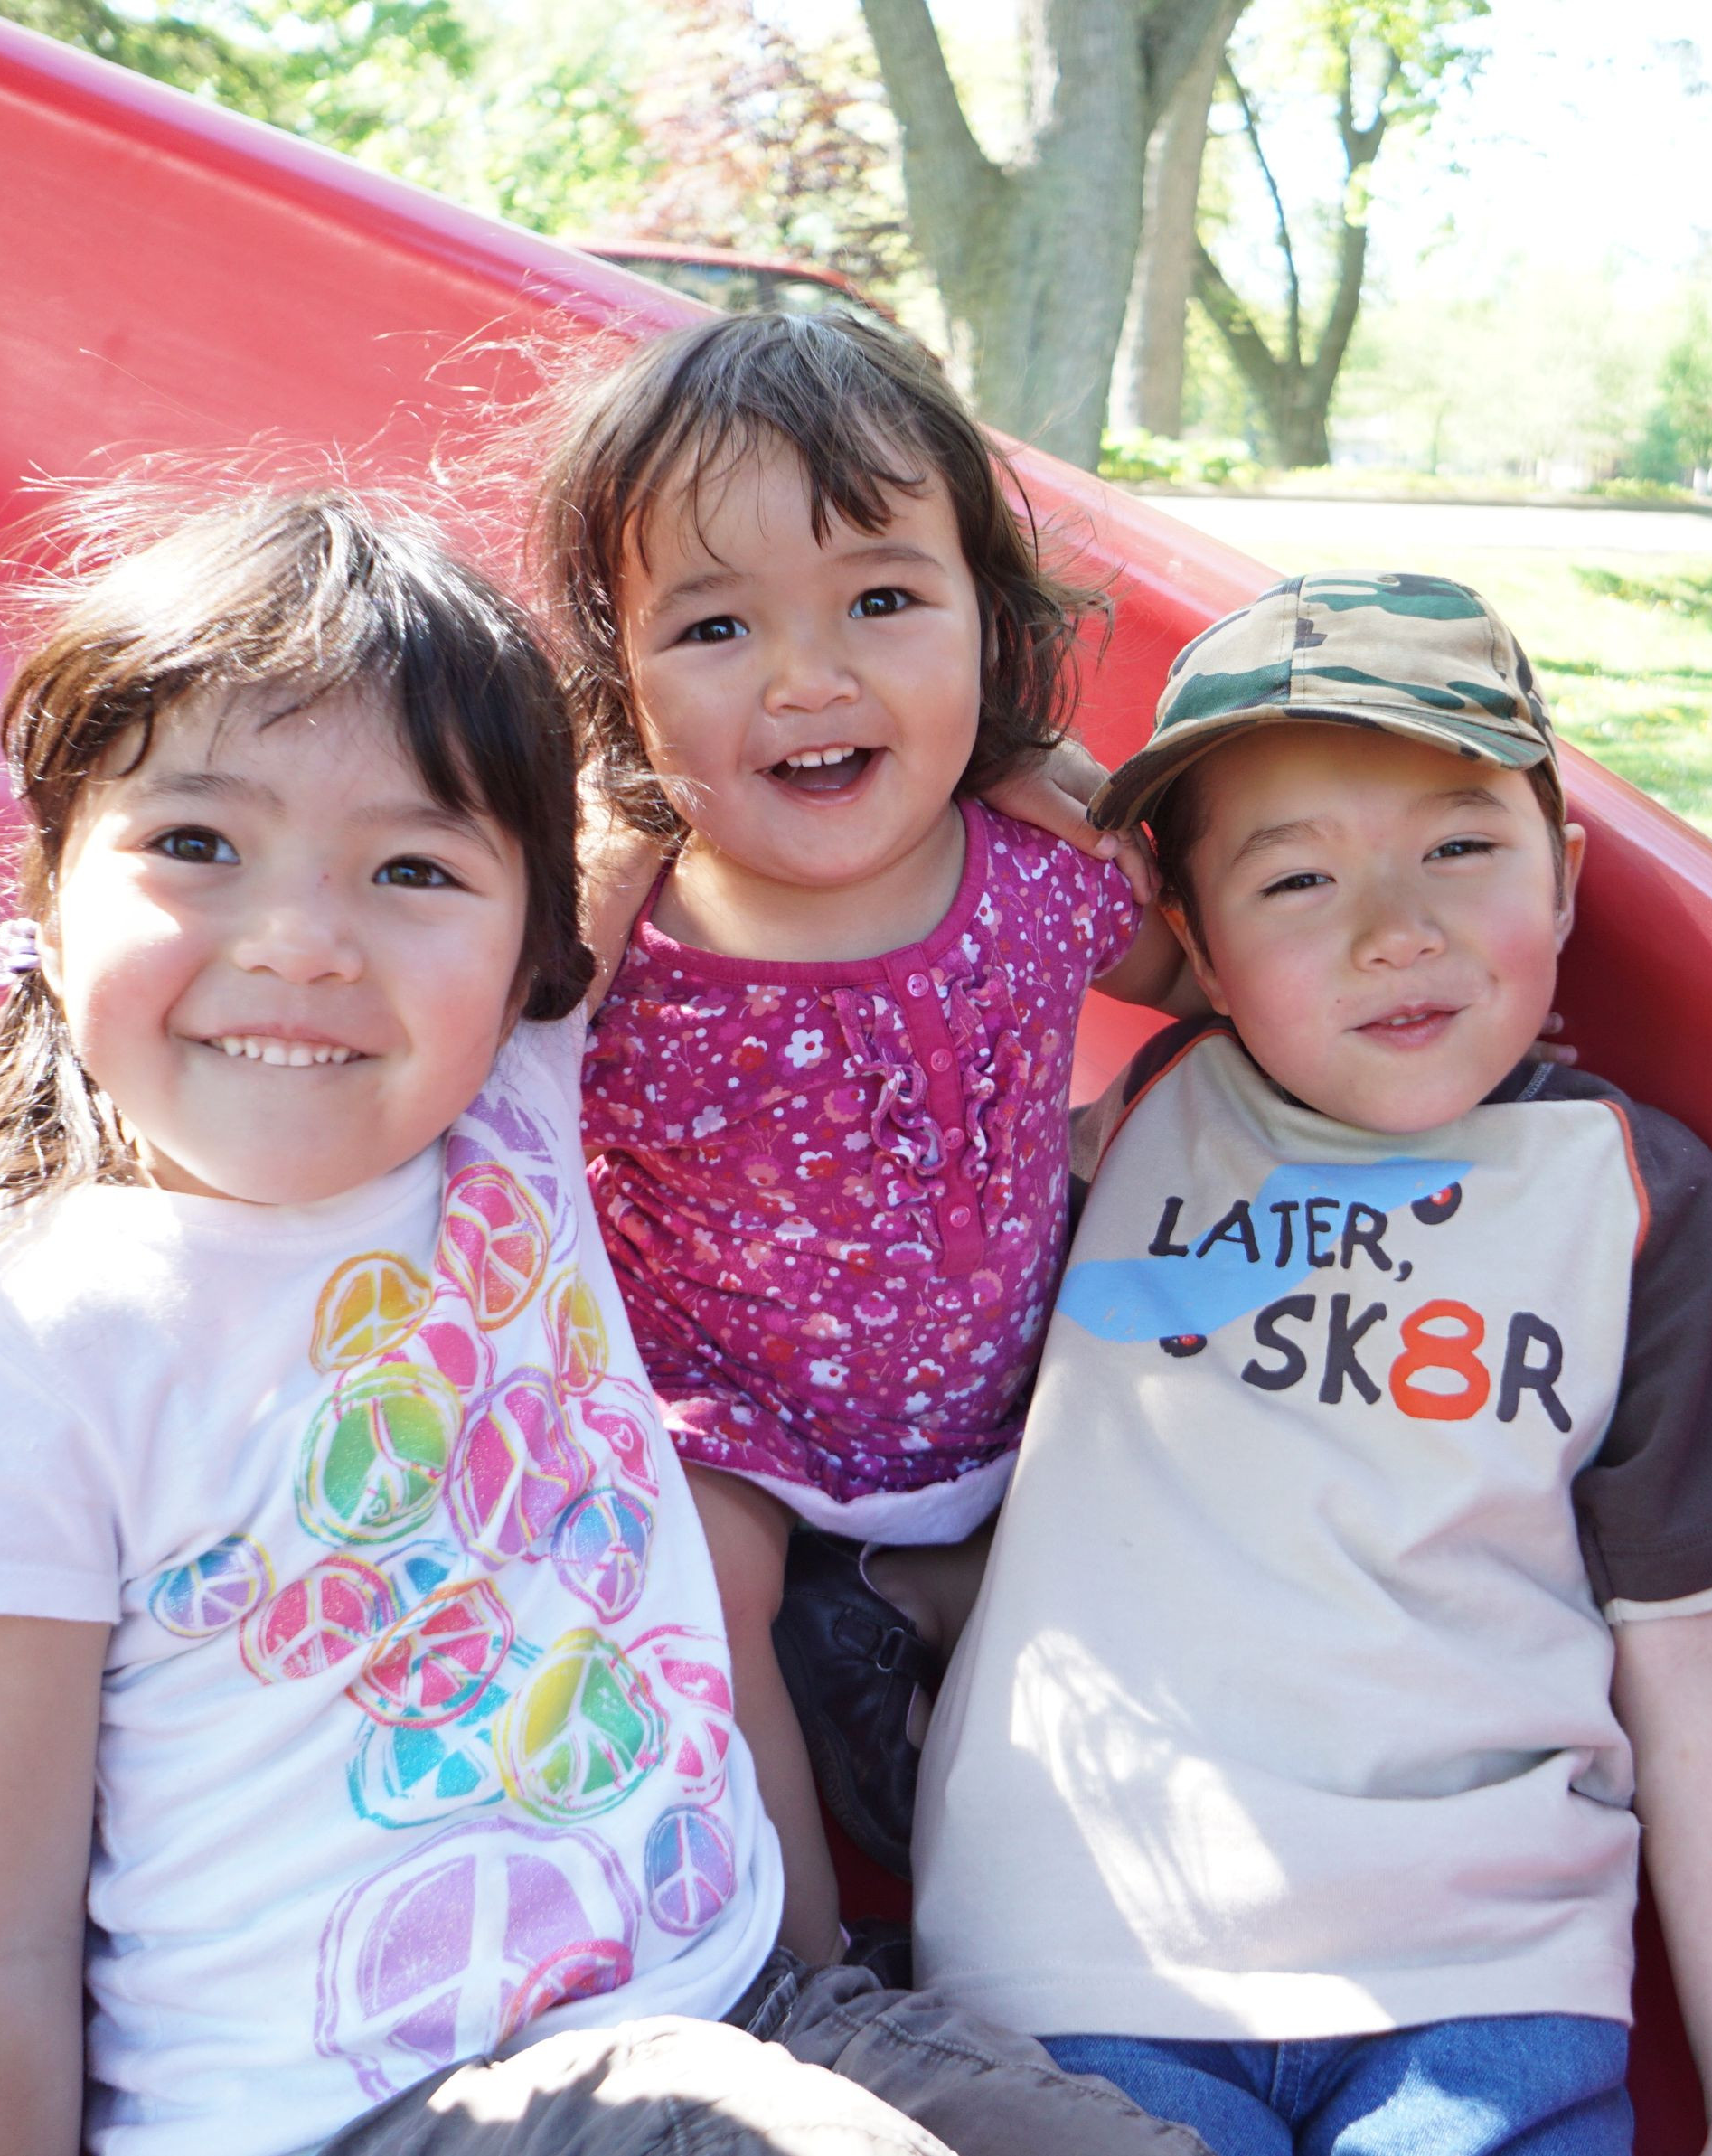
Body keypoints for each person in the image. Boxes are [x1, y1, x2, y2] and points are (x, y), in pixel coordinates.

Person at [0, 487, 1211, 2156]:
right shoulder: (14, 1341)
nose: (304, 943)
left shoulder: (516, 1114)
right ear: (46, 896)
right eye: (196, 845)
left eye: (413, 868)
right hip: (374, 2116)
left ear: (531, 940)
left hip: (744, 1998)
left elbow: (692, 778)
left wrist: (994, 755)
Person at [913, 573, 1712, 2156]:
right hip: (1085, 1942)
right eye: (1297, 879)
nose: (1395, 932)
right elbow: (918, 812)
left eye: (1460, 849)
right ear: (1193, 940)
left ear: (1565, 878)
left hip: (1485, 1980)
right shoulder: (1148, 1118)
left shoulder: (1625, 1197)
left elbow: (1700, 1665)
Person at [538, 312, 1190, 1961]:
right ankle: (817, 1971)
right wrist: (603, 841)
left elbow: (1216, 972)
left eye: (884, 601)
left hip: (1014, 1406)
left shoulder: (1039, 874)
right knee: (693, 1576)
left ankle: (908, 1624)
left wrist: (1068, 777)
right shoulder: (633, 918)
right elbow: (489, 1047)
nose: (807, 678)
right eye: (714, 625)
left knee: (1163, 1524)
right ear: (620, 675)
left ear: (993, 625)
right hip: (728, 1423)